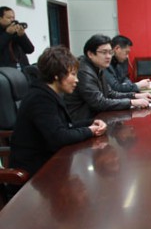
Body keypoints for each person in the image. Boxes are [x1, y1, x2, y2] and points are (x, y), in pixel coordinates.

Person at [9, 46, 107, 179]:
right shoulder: (40, 98)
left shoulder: (48, 93)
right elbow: (59, 137)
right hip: (35, 173)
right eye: (73, 74)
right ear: (56, 74)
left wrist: (91, 122)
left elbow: (65, 126)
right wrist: (90, 131)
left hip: (49, 162)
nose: (77, 80)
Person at [64, 34, 151, 121]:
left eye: (110, 52)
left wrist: (135, 95)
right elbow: (99, 103)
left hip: (95, 117)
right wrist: (131, 102)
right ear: (90, 54)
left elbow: (110, 93)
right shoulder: (84, 71)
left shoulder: (98, 67)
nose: (109, 56)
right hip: (81, 122)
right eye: (104, 52)